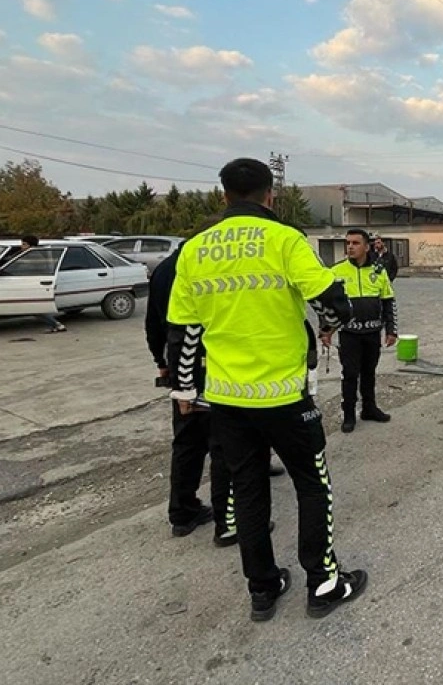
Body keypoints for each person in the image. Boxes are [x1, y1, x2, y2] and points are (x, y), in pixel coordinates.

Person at [168, 157, 367, 622]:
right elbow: (330, 299)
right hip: (284, 397)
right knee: (312, 484)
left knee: (248, 490)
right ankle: (323, 581)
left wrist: (183, 392)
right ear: (270, 195)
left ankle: (264, 586)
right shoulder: (284, 240)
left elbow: (183, 332)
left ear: (223, 196)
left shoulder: (195, 250)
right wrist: (329, 326)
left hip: (228, 401)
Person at [146, 237, 287, 546]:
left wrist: (162, 362)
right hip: (212, 367)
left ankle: (182, 513)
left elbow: (154, 323)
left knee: (186, 442)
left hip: (181, 368)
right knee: (223, 445)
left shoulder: (162, 270)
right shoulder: (202, 270)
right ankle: (227, 523)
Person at [327, 229, 398, 434]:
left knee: (369, 373)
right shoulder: (336, 271)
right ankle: (349, 414)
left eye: (355, 243)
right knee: (350, 374)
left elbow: (388, 301)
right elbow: (328, 305)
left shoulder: (379, 270)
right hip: (349, 335)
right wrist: (327, 330)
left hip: (372, 334)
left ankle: (369, 408)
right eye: (348, 243)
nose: (350, 246)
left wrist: (391, 330)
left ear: (367, 247)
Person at [13, 235, 66, 333]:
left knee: (36, 309)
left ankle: (56, 324)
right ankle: (55, 325)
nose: (21, 247)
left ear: (31, 246)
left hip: (33, 286)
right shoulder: (30, 255)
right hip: (31, 285)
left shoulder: (33, 256)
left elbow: (21, 269)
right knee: (36, 309)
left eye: (24, 244)